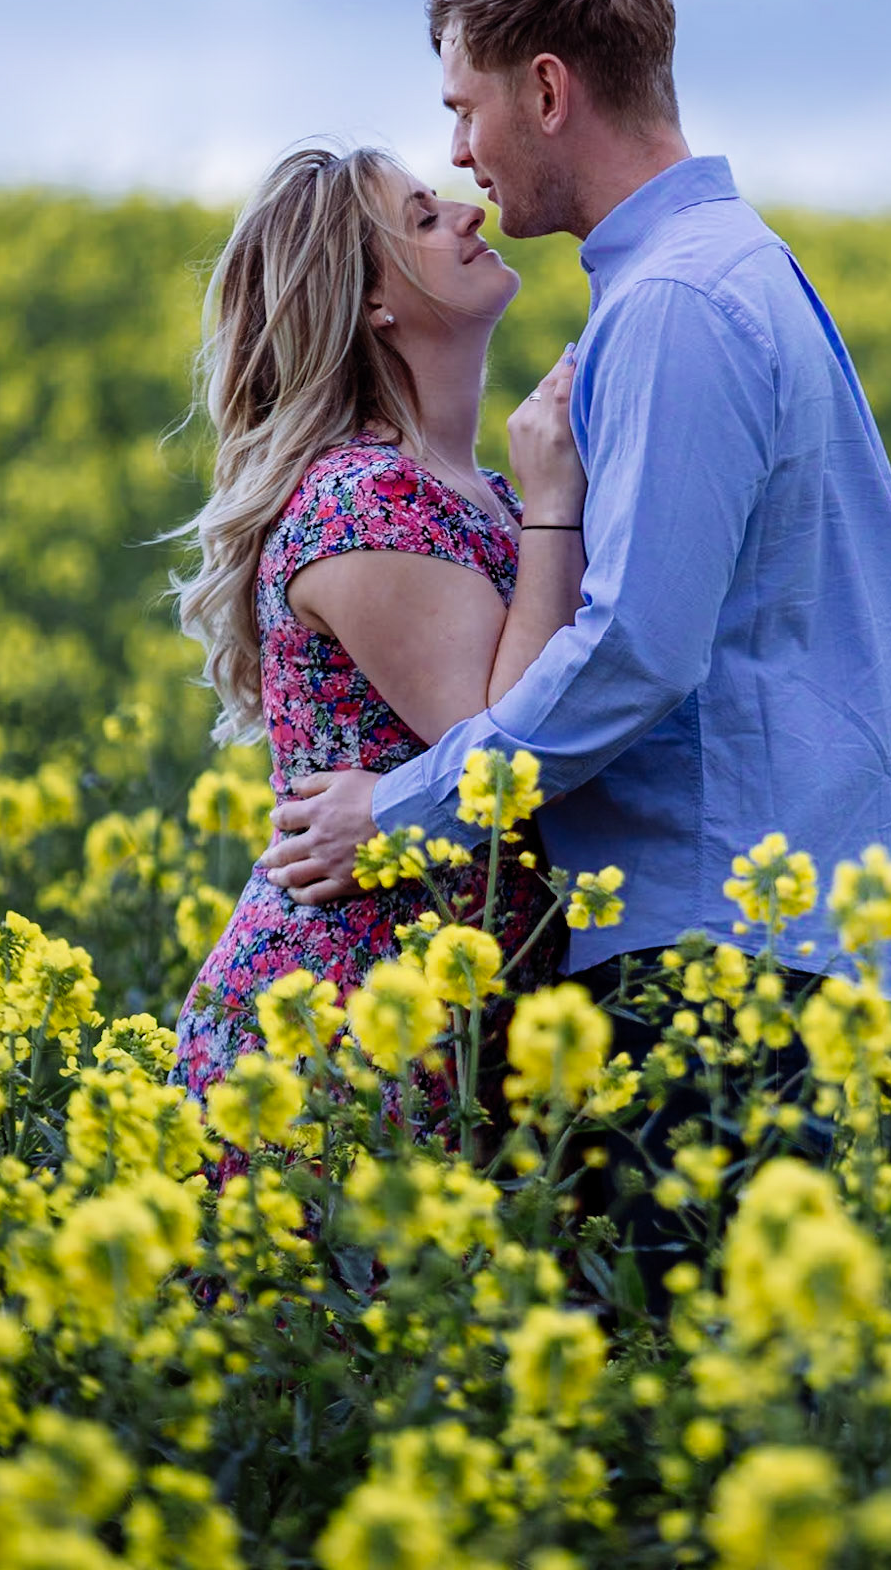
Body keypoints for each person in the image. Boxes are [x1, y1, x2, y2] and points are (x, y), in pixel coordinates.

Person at [262, 0, 891, 1013]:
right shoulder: (713, 271)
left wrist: (393, 816)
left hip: (718, 924)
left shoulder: (677, 301)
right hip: (754, 919)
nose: (463, 160)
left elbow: (635, 652)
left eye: (463, 110)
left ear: (545, 91)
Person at [168, 143, 584, 1121]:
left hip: (442, 1009)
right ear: (372, 304)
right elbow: (506, 738)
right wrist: (557, 504)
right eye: (426, 218)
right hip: (344, 1031)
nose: (469, 213)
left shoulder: (475, 491)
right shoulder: (367, 498)